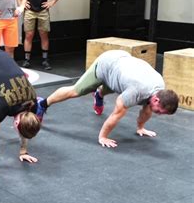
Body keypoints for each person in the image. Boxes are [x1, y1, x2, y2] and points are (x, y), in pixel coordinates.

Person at [36, 50, 179, 148]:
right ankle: (42, 104)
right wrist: (102, 137)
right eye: (160, 111)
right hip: (107, 64)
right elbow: (117, 112)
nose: (158, 114)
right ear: (156, 100)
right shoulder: (136, 91)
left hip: (121, 72)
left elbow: (147, 109)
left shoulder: (159, 88)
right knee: (76, 91)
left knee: (141, 103)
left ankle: (99, 94)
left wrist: (141, 128)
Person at [21, 0, 62, 70]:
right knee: (29, 35)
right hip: (29, 10)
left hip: (43, 10)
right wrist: (21, 2)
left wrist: (52, 2)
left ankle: (45, 59)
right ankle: (27, 60)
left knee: (44, 35)